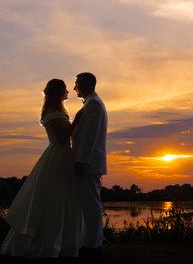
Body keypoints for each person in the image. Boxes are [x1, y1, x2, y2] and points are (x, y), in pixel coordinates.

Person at [1, 79, 82, 259]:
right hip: (58, 156)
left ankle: (63, 242)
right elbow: (61, 139)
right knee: (55, 198)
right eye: (65, 90)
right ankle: (49, 244)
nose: (68, 92)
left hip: (62, 156)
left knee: (61, 198)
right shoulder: (52, 114)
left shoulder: (55, 112)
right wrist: (76, 121)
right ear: (59, 93)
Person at [72, 72, 108, 257]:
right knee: (90, 204)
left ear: (86, 84)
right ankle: (91, 242)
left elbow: (90, 138)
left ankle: (93, 246)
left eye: (77, 83)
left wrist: (81, 162)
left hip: (89, 164)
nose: (74, 87)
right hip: (89, 163)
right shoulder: (91, 103)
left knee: (91, 204)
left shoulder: (93, 104)